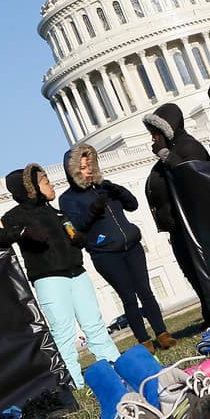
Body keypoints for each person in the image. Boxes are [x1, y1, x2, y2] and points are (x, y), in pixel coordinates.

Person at [0, 164, 121, 389]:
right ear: (31, 189)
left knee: (94, 324)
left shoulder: (57, 212)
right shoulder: (15, 216)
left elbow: (73, 231)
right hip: (49, 279)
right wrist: (22, 232)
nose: (51, 185)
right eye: (45, 182)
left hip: (77, 273)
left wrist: (80, 236)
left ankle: (115, 366)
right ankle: (71, 381)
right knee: (62, 331)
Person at [59, 144, 173, 352]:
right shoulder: (68, 199)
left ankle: (162, 333)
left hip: (132, 246)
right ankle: (144, 342)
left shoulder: (105, 186)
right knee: (128, 298)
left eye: (90, 165)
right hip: (106, 254)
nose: (89, 170)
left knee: (146, 292)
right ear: (73, 170)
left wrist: (117, 190)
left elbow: (133, 205)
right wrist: (94, 210)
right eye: (83, 167)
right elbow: (76, 228)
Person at [142, 102, 210, 326]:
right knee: (192, 272)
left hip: (194, 223)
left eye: (155, 132)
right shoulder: (172, 151)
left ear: (167, 129)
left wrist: (166, 156)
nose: (153, 138)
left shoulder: (187, 147)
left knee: (203, 271)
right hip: (179, 226)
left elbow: (196, 178)